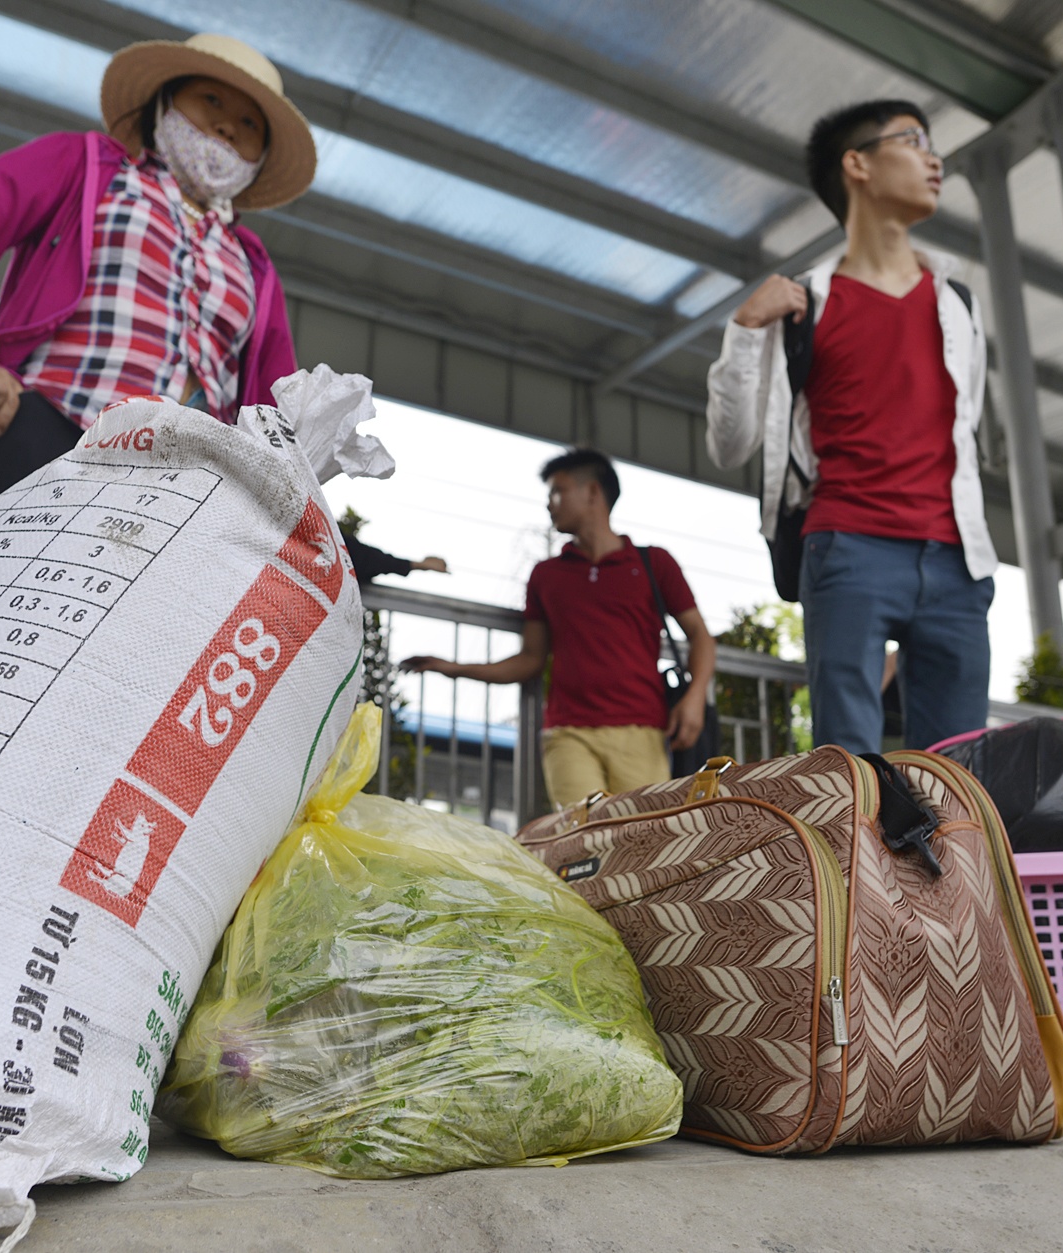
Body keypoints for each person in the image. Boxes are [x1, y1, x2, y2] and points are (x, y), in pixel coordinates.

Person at [0, 33, 318, 527]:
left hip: (180, 501)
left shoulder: (253, 262)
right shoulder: (86, 167)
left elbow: (276, 397)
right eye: (211, 100)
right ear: (164, 101)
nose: (228, 125)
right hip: (52, 441)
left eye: (250, 123)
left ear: (261, 155)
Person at [705, 99, 995, 755]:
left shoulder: (959, 304)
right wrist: (746, 330)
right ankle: (854, 864)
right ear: (857, 164)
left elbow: (964, 429)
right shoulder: (803, 304)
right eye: (913, 140)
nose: (934, 157)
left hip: (956, 561)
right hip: (848, 550)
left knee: (960, 779)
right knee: (850, 768)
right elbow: (728, 446)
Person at [401, 450, 715, 808]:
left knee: (642, 844)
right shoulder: (545, 575)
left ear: (593, 493)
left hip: (642, 731)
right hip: (568, 733)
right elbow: (531, 659)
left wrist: (695, 699)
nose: (550, 504)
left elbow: (700, 635)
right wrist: (454, 669)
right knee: (579, 846)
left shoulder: (653, 562)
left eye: (558, 492)